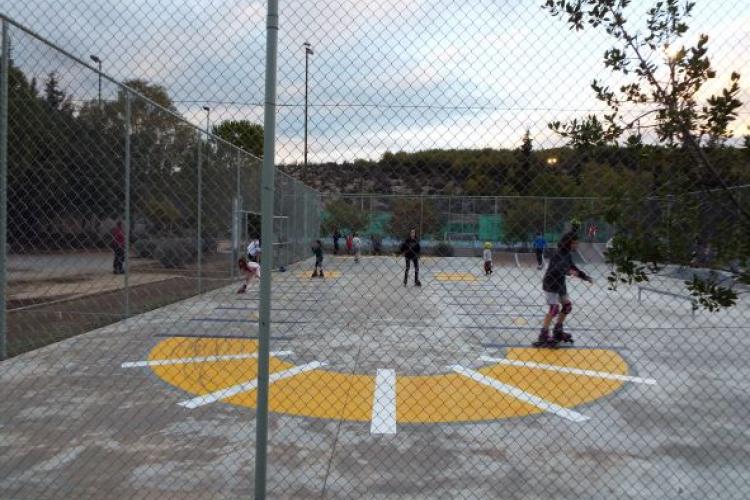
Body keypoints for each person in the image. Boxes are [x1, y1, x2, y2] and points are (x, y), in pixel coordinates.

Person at [533, 232, 593, 347]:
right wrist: (568, 271)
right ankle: (543, 334)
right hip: (551, 284)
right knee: (554, 309)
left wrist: (584, 276)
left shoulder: (567, 254)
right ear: (569, 243)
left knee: (567, 306)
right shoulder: (558, 254)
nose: (576, 246)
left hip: (560, 284)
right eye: (575, 243)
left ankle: (557, 330)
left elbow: (572, 267)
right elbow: (556, 268)